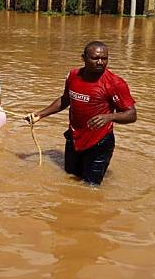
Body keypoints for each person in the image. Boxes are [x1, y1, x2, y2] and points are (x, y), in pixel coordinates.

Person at [26, 41, 137, 185]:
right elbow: (66, 99)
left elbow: (132, 114)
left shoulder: (115, 83)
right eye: (95, 58)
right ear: (83, 58)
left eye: (104, 59)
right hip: (74, 138)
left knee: (91, 187)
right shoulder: (73, 76)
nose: (100, 62)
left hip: (99, 142)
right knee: (69, 179)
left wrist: (110, 117)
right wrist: (40, 115)